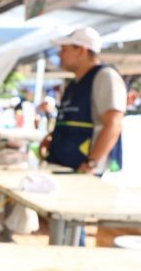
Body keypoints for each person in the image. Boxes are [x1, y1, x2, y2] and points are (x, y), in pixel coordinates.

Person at [39, 27, 125, 175]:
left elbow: (113, 124)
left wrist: (91, 163)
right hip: (63, 167)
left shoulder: (105, 77)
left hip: (85, 172)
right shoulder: (74, 83)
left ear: (82, 50)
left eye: (64, 49)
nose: (59, 54)